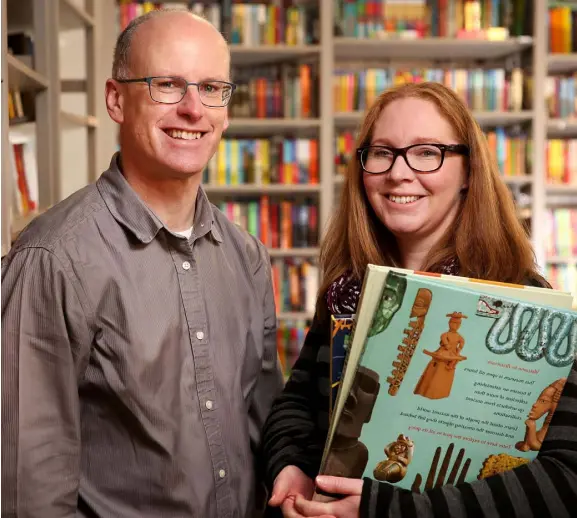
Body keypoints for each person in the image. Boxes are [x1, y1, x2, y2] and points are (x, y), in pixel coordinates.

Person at [1, 9, 284, 518]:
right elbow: (29, 489)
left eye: (212, 88)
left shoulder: (248, 258)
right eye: (168, 85)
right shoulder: (52, 261)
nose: (194, 109)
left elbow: (265, 430)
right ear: (116, 99)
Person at [262, 81, 577, 518]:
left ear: (467, 172)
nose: (399, 172)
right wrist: (291, 466)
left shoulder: (531, 306)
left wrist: (382, 508)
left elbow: (565, 479)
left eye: (428, 152)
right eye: (382, 152)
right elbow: (296, 405)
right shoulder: (346, 292)